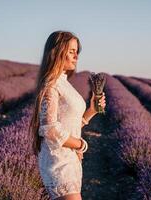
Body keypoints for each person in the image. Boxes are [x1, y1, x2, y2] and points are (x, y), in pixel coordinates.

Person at [29, 30, 106, 200]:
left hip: (69, 160)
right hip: (59, 162)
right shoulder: (51, 85)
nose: (76, 56)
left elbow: (66, 124)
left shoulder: (62, 82)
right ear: (57, 52)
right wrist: (81, 144)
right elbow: (50, 130)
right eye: (71, 51)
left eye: (77, 51)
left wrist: (91, 111)